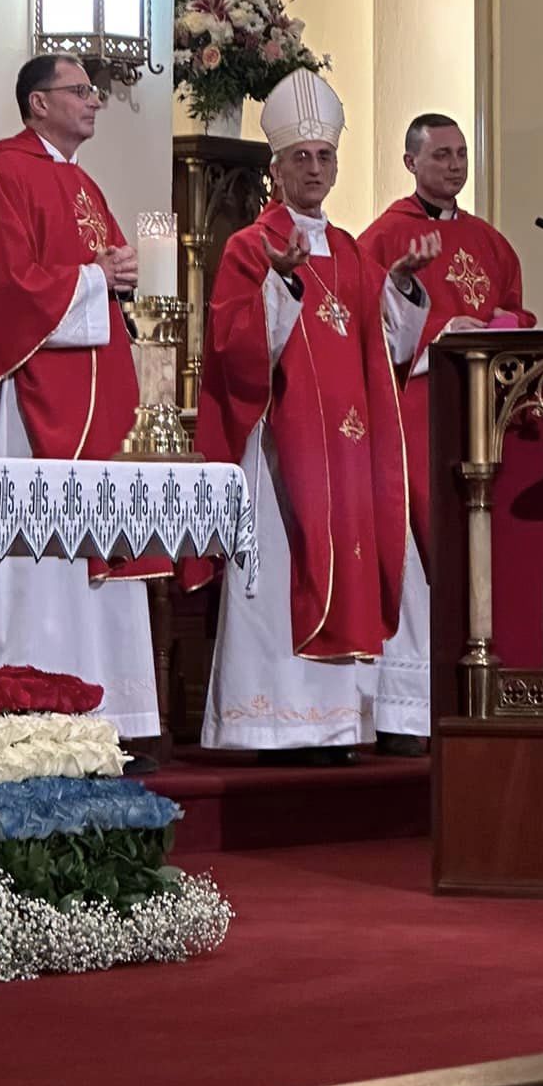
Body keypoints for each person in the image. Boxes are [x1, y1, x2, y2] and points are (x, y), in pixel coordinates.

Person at [194, 69, 440, 760]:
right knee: (279, 578)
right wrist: (282, 280)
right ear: (275, 168)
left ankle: (334, 724)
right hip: (283, 454)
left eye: (324, 156)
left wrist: (404, 286)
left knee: (350, 566)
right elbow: (239, 353)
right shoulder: (250, 246)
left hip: (350, 454)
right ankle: (273, 723)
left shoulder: (356, 251)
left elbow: (384, 344)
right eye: (300, 156)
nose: (314, 167)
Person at [0, 55, 158, 743]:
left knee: (93, 555)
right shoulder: (6, 175)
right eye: (80, 91)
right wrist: (96, 278)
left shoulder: (84, 184)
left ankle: (112, 714)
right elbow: (7, 292)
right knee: (43, 564)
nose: (94, 102)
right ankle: (35, 710)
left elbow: (91, 275)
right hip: (32, 406)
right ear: (38, 103)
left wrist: (116, 278)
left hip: (95, 407)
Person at [357, 113, 537, 745]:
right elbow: (368, 332)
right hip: (418, 409)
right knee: (426, 537)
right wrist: (440, 336)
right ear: (411, 163)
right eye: (441, 155)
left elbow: (517, 310)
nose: (455, 165)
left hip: (487, 413)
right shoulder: (382, 240)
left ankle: (491, 679)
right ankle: (413, 706)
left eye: (461, 154)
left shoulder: (492, 243)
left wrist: (500, 327)